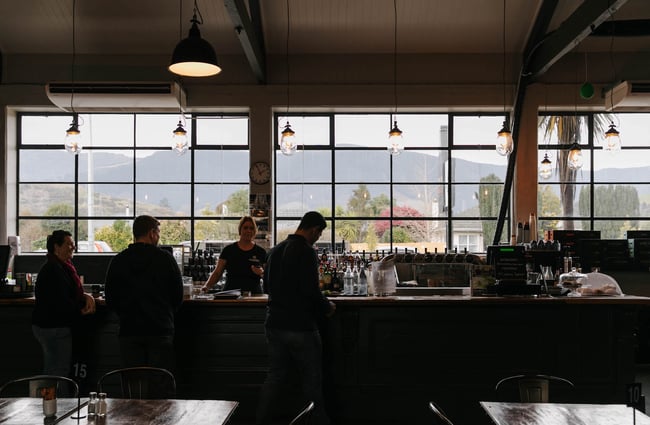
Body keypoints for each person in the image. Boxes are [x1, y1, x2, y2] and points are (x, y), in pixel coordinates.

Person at [256, 211, 336, 425]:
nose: (318, 238)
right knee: (312, 381)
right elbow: (310, 291)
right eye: (319, 234)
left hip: (274, 323)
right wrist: (327, 306)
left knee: (274, 378)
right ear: (313, 229)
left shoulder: (275, 250)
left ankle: (261, 421)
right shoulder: (306, 251)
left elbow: (266, 287)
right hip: (300, 326)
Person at [104, 215, 183, 371]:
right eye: (158, 232)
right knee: (160, 382)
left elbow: (110, 298)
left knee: (133, 384)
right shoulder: (165, 259)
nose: (159, 237)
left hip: (129, 330)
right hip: (160, 329)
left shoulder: (119, 260)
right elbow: (177, 295)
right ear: (152, 233)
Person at [32, 230, 96, 378]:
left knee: (54, 369)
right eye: (69, 244)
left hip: (49, 326)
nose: (73, 247)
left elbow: (67, 295)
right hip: (54, 327)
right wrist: (81, 311)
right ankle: (59, 401)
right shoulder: (54, 270)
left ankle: (53, 399)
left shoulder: (59, 267)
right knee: (58, 371)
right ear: (57, 247)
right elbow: (61, 303)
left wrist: (86, 296)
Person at [202, 216, 267, 294]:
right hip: (230, 296)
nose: (248, 230)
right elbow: (217, 273)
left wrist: (261, 273)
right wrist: (207, 286)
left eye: (251, 228)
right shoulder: (228, 250)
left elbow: (268, 276)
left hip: (254, 296)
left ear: (255, 231)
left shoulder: (261, 252)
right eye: (245, 228)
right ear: (240, 230)